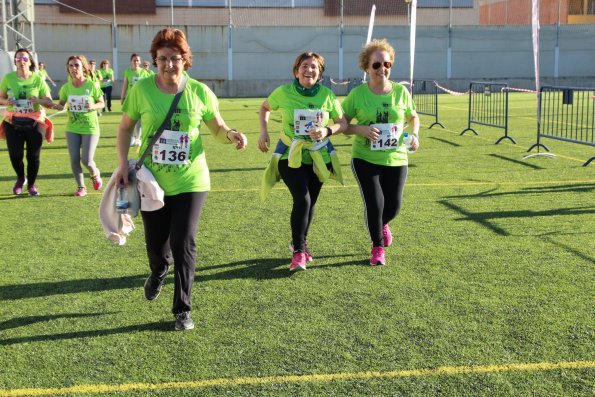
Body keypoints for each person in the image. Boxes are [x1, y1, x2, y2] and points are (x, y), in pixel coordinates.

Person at [114, 28, 247, 331]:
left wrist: (231, 135)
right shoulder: (142, 91)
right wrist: (123, 163)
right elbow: (124, 129)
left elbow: (217, 127)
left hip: (191, 180)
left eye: (175, 58)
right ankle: (159, 271)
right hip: (151, 181)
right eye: (162, 59)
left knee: (184, 241)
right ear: (154, 61)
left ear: (186, 60)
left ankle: (182, 309)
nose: (169, 64)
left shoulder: (199, 91)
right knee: (156, 246)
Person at [258, 51, 346, 272]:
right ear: (296, 71)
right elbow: (265, 107)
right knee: (303, 199)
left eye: (314, 67)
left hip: (318, 156)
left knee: (310, 203)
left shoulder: (327, 95)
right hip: (290, 155)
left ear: (320, 72)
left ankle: (301, 242)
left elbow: (342, 123)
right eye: (304, 66)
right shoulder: (284, 93)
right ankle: (298, 252)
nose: (309, 70)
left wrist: (326, 130)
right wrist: (263, 132)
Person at [342, 39, 420, 266]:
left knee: (393, 206)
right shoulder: (357, 95)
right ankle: (377, 247)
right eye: (376, 65)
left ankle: (382, 224)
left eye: (387, 64)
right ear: (366, 67)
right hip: (365, 158)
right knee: (375, 203)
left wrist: (414, 135)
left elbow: (412, 116)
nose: (382, 69)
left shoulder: (401, 92)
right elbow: (343, 124)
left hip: (396, 158)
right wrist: (361, 130)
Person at [0, 48, 56, 196]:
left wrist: (37, 100)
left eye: (25, 58)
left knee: (33, 156)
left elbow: (49, 101)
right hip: (13, 121)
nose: (21, 61)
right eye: (18, 59)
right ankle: (20, 178)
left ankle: (31, 184)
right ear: (15, 62)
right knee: (15, 155)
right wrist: (6, 100)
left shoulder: (38, 79)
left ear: (30, 61)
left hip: (34, 121)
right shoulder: (8, 78)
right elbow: (0, 98)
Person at [54, 55, 105, 197]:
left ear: (83, 67)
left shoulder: (91, 85)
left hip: (90, 128)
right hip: (72, 127)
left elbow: (102, 103)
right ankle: (81, 186)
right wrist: (56, 106)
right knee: (74, 158)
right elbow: (61, 104)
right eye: (71, 66)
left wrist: (93, 106)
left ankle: (94, 173)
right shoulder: (66, 87)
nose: (73, 68)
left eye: (76, 65)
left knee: (86, 160)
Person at [121, 54, 150, 146]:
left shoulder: (144, 73)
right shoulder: (127, 72)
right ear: (131, 61)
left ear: (140, 62)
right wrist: (122, 97)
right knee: (130, 119)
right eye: (134, 60)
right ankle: (132, 137)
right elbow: (125, 85)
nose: (136, 62)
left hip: (141, 99)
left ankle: (138, 138)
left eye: (137, 60)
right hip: (131, 99)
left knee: (139, 120)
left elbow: (147, 87)